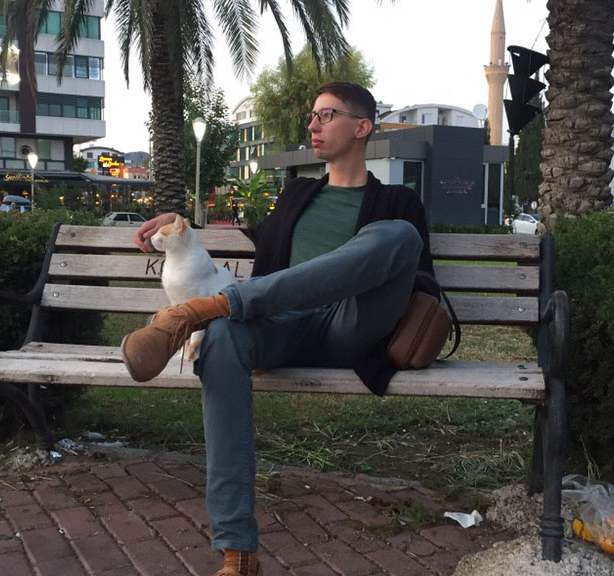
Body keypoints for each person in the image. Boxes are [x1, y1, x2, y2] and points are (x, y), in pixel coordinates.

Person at [122, 82, 437, 576]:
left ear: (361, 127)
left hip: (349, 325)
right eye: (312, 116)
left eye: (326, 115)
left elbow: (419, 277)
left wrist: (363, 266)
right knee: (223, 338)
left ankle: (198, 312)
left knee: (398, 236)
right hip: (282, 323)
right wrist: (180, 226)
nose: (312, 125)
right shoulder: (297, 193)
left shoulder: (397, 200)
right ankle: (238, 553)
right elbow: (254, 240)